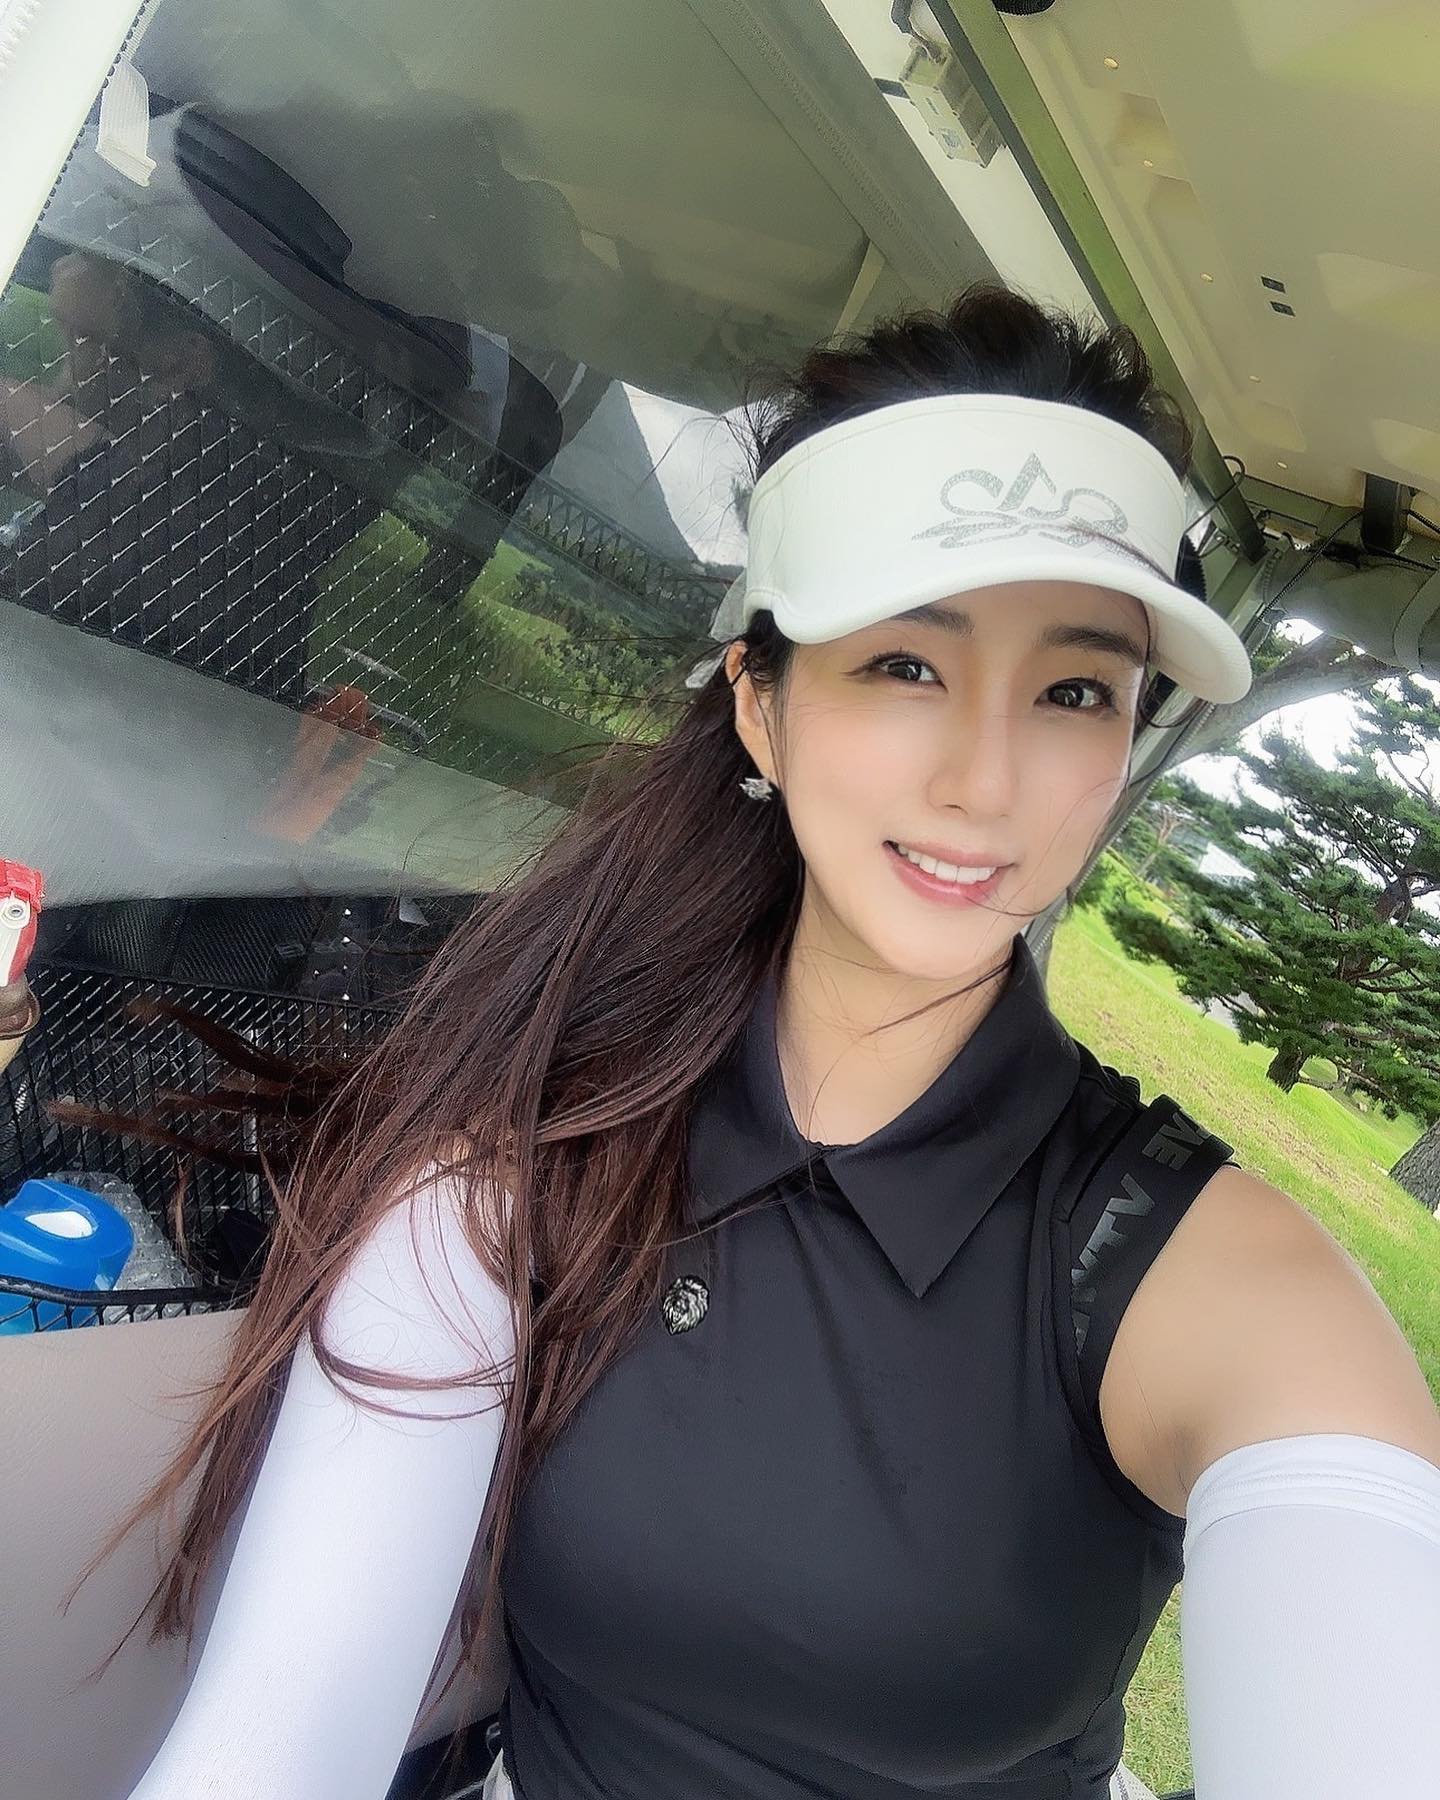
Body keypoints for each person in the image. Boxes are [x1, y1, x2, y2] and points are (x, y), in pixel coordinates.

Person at [115, 285, 1440, 1800]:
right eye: (905, 666)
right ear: (761, 707)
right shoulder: (530, 1154)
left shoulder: (1211, 1281)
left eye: (1075, 691)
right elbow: (285, 1729)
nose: (986, 781)